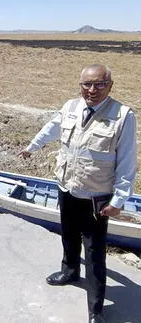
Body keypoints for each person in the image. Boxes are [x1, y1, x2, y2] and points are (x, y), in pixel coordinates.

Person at [18, 64, 137, 323]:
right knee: (68, 235)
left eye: (99, 84)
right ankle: (69, 271)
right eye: (86, 84)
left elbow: (127, 163)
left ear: (110, 85)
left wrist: (118, 200)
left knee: (94, 252)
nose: (92, 90)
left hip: (96, 196)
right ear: (80, 85)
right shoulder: (71, 106)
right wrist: (32, 146)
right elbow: (52, 128)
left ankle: (95, 309)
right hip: (67, 187)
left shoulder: (123, 116)